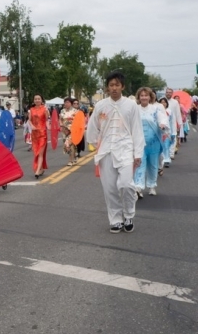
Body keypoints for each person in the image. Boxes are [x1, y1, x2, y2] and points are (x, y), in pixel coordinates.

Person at [86, 71, 144, 234]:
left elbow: (137, 130)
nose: (114, 88)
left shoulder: (131, 105)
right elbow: (93, 126)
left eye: (117, 85)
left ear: (122, 86)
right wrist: (94, 143)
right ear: (107, 87)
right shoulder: (101, 105)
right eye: (111, 85)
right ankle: (116, 220)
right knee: (110, 188)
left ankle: (128, 215)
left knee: (126, 184)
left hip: (126, 149)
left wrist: (138, 153)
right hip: (106, 151)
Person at [132, 87, 168, 198]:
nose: (144, 97)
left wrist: (162, 124)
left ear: (150, 97)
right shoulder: (135, 109)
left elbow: (162, 118)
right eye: (142, 95)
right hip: (139, 143)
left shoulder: (155, 109)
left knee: (153, 165)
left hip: (153, 142)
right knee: (139, 165)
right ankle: (138, 187)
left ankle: (152, 186)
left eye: (146, 95)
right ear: (139, 97)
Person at [29, 94, 50, 178]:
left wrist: (49, 126)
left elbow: (47, 120)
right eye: (35, 99)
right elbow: (29, 120)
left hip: (42, 133)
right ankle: (41, 169)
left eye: (39, 99)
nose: (37, 100)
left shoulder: (45, 109)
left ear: (41, 100)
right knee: (36, 152)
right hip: (34, 134)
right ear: (33, 100)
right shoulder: (31, 110)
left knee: (40, 153)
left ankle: (37, 171)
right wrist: (32, 126)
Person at [163, 88, 182, 166]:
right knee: (165, 139)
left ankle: (171, 154)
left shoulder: (175, 102)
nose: (168, 94)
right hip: (164, 124)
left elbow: (178, 113)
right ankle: (166, 155)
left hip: (173, 123)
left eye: (170, 92)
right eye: (167, 92)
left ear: (172, 93)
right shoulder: (162, 101)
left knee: (173, 138)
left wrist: (179, 123)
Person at [59, 98, 79, 166]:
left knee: (69, 145)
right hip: (64, 130)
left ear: (71, 103)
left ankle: (70, 160)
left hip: (72, 130)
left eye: (68, 102)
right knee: (66, 145)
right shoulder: (62, 111)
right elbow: (60, 119)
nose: (66, 104)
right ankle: (75, 155)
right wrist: (61, 124)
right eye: (65, 102)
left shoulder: (75, 111)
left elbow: (78, 121)